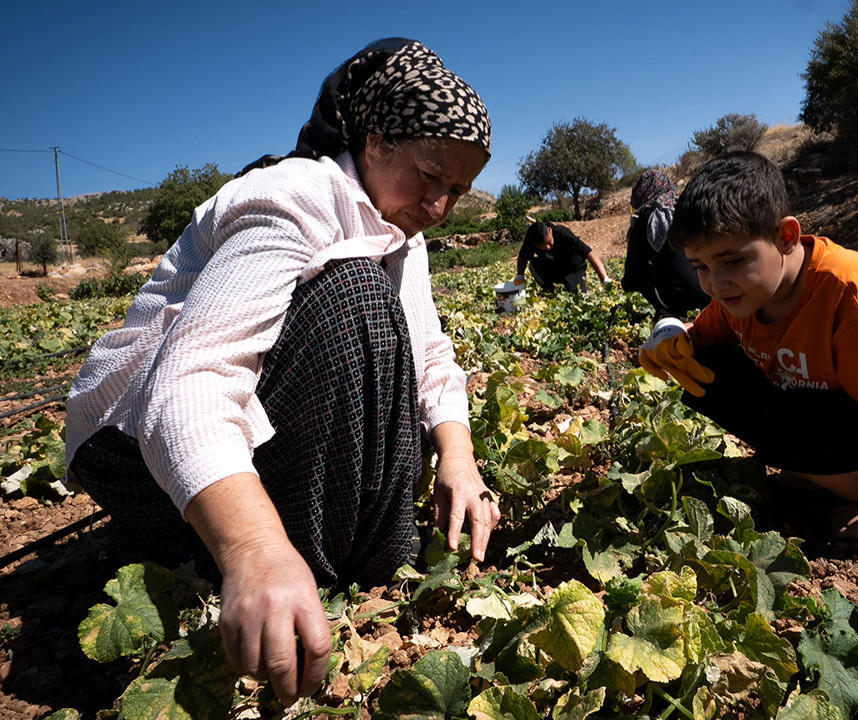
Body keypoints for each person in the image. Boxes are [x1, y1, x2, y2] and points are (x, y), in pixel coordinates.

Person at [64, 39, 501, 704]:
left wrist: (459, 456)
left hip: (253, 430)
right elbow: (190, 383)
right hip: (139, 455)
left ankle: (344, 561)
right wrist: (254, 547)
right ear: (376, 141)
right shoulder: (294, 195)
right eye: (431, 175)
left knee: (397, 365)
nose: (440, 206)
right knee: (353, 293)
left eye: (459, 191)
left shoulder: (401, 230)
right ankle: (286, 570)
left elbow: (430, 351)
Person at [638, 151, 858, 545]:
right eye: (701, 267)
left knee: (785, 426)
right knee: (698, 362)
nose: (716, 284)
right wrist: (666, 331)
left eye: (733, 260)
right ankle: (824, 468)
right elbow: (695, 334)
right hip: (831, 403)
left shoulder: (853, 298)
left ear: (786, 236)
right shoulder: (743, 297)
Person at [621, 169, 709, 318]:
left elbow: (632, 277)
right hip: (713, 293)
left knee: (640, 277)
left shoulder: (645, 216)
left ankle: (670, 313)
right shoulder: (684, 208)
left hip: (685, 300)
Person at [514, 221, 612, 292]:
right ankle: (548, 289)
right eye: (542, 246)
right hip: (554, 267)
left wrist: (604, 279)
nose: (548, 247)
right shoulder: (531, 238)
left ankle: (576, 281)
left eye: (549, 243)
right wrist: (520, 276)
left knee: (576, 294)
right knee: (534, 264)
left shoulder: (564, 234)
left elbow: (590, 253)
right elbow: (523, 257)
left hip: (573, 268)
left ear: (550, 230)